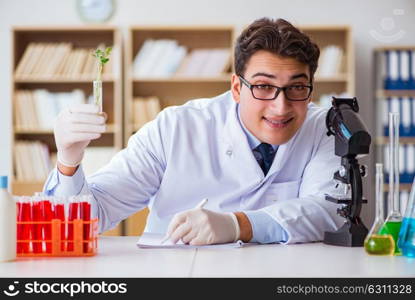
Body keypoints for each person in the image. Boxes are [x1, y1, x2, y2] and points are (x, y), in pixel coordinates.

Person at [44, 17, 344, 245]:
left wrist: (238, 225)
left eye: (296, 87)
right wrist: (68, 161)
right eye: (264, 86)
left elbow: (332, 212)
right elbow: (89, 221)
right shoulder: (175, 128)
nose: (281, 107)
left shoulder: (325, 127)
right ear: (237, 88)